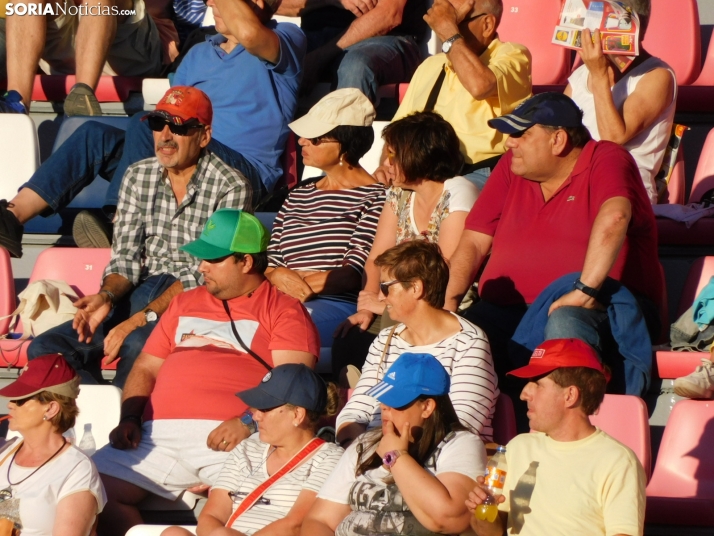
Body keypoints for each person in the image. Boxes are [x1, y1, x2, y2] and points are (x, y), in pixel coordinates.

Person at [0, 0, 305, 256]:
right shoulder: (199, 52)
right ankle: (12, 217)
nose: (212, 3)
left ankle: (122, 221)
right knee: (95, 135)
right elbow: (169, 113)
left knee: (145, 126)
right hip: (186, 156)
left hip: (241, 171)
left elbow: (250, 33)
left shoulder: (287, 38)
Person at [93, 208, 320, 536]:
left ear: (246, 262)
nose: (201, 267)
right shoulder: (184, 302)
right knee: (86, 489)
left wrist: (246, 422)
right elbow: (145, 366)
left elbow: (292, 382)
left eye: (213, 259)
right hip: (155, 436)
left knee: (255, 517)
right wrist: (130, 417)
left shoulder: (284, 309)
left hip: (234, 438)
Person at [25, 87, 251, 389]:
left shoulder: (231, 185)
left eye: (179, 127)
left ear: (204, 136)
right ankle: (96, 413)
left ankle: (124, 427)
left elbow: (208, 274)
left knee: (136, 346)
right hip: (139, 291)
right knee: (45, 349)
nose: (165, 136)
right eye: (159, 124)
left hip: (193, 301)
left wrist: (139, 319)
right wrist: (106, 298)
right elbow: (125, 260)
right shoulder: (137, 174)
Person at [445, 92, 662, 380]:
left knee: (565, 323)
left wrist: (586, 290)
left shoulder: (606, 157)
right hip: (504, 312)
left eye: (521, 134)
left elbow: (615, 215)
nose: (509, 142)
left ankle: (577, 419)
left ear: (558, 140)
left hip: (597, 306)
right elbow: (474, 240)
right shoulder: (512, 167)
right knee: (452, 341)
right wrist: (448, 305)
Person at [334, 111, 478, 359]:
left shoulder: (458, 192)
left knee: (389, 339)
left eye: (392, 155)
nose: (386, 164)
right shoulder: (399, 195)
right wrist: (366, 306)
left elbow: (443, 273)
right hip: (398, 300)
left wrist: (384, 304)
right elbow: (376, 258)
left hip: (443, 307)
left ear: (417, 155)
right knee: (350, 338)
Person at [466, 338, 645, 536]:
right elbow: (493, 532)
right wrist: (481, 511)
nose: (524, 394)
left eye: (537, 384)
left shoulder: (617, 461)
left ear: (570, 395)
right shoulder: (518, 447)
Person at [303, 352, 487, 536]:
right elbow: (319, 521)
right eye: (383, 398)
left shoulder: (460, 444)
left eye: (396, 401)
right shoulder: (366, 443)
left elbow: (447, 519)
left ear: (427, 407)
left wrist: (397, 457)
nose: (384, 407)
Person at [336, 240, 497, 448]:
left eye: (385, 287)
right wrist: (361, 453)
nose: (380, 296)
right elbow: (355, 411)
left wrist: (394, 456)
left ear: (415, 288)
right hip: (377, 454)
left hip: (438, 466)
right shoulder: (386, 339)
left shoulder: (469, 344)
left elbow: (461, 426)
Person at [161, 364, 343, 536]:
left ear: (297, 414)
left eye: (264, 408)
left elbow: (295, 524)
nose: (255, 416)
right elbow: (210, 517)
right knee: (172, 533)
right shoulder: (248, 448)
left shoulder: (329, 458)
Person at [266, 88, 385, 348]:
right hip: (278, 300)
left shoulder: (377, 198)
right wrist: (278, 277)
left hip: (335, 305)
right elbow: (272, 262)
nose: (301, 141)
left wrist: (291, 281)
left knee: (273, 330)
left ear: (343, 145)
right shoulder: (298, 195)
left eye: (315, 137)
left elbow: (354, 272)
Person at [374, 0, 532, 190]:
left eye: (453, 20)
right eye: (440, 21)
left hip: (474, 172)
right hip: (420, 172)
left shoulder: (513, 55)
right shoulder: (430, 66)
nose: (442, 29)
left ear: (487, 25)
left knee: (454, 194)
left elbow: (480, 86)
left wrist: (449, 33)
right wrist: (388, 165)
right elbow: (396, 132)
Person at [565, 0, 676, 204]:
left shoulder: (657, 75)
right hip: (574, 185)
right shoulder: (581, 75)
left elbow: (613, 138)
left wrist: (599, 76)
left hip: (624, 190)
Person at [0, 353, 106, 535]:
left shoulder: (76, 470)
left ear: (50, 409)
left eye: (20, 399)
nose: (10, 404)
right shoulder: (5, 452)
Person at [0, 0, 164, 116]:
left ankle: (82, 98)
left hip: (125, 45)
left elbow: (159, 7)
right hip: (69, 36)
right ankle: (16, 103)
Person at [277, 0, 422, 103]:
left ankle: (343, 142)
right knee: (264, 56)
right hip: (313, 37)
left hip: (384, 39)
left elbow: (389, 15)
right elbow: (273, 4)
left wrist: (319, 58)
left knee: (355, 65)